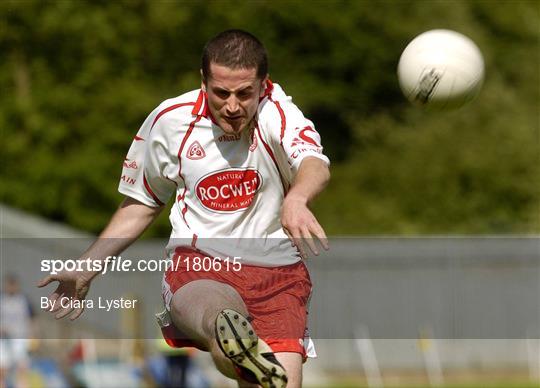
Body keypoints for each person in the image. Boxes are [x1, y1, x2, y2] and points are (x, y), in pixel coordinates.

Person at [38, 29, 330, 388]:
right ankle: (230, 336)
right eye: (221, 93)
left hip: (278, 275)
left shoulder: (280, 113)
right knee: (218, 317)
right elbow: (143, 202)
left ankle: (243, 351)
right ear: (203, 81)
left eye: (244, 93)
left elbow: (314, 163)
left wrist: (297, 198)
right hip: (201, 263)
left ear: (264, 85)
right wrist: (87, 267)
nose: (233, 105)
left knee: (278, 383)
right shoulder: (170, 121)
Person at [1, 274, 36, 387]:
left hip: (20, 338)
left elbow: (32, 319)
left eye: (13, 285)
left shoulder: (24, 300)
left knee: (22, 369)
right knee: (2, 370)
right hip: (3, 340)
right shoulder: (2, 299)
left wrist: (33, 335)